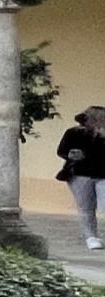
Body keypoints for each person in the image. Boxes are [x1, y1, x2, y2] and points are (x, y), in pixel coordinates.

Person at [57, 106, 105, 250]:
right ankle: (91, 237)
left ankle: (92, 237)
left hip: (103, 175)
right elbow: (62, 151)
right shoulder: (73, 133)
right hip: (79, 174)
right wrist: (71, 154)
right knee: (86, 207)